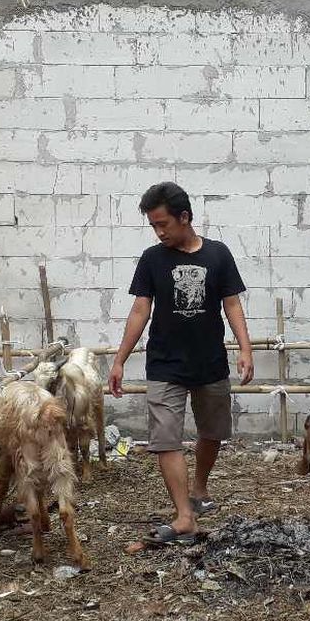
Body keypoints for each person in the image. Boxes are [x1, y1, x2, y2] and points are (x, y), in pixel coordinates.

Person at [108, 182, 255, 543]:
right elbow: (140, 309)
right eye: (153, 226)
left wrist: (245, 349)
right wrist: (119, 360)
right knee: (165, 439)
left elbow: (232, 304)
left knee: (212, 431)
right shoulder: (152, 259)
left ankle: (200, 489)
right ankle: (184, 515)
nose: (159, 232)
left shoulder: (218, 255)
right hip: (164, 364)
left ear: (184, 217)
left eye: (164, 224)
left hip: (210, 362)